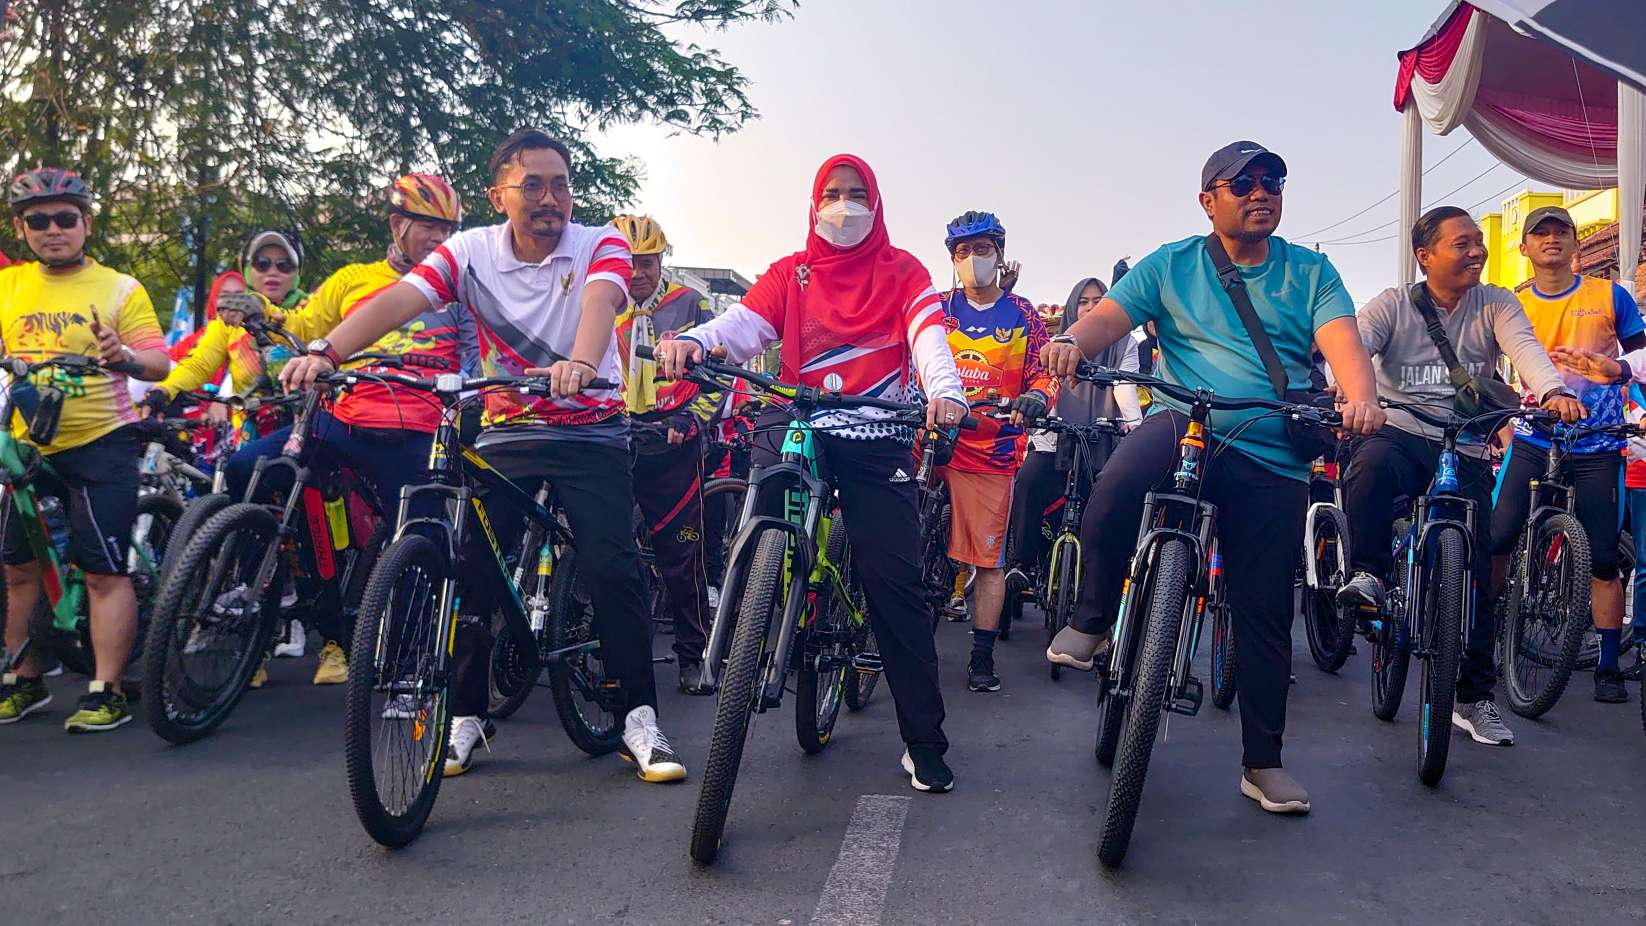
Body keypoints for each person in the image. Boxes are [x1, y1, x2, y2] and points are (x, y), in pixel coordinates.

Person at [281, 130, 684, 784]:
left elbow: (600, 301)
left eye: (561, 184)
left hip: (589, 426)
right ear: (498, 194)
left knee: (612, 567)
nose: (550, 198)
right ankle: (466, 716)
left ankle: (640, 716)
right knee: (466, 564)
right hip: (507, 427)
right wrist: (327, 352)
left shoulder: (596, 243)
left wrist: (582, 362)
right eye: (533, 185)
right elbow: (398, 300)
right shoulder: (468, 252)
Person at [1040, 141, 1384, 814]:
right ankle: (1090, 620)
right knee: (1111, 490)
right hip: (1181, 424)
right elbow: (1107, 318)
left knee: (1262, 607)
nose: (1262, 191)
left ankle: (1263, 763)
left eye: (1274, 181)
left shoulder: (1311, 271)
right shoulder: (1172, 263)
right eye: (1243, 182)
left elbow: (1343, 342)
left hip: (1271, 450)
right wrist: (1071, 343)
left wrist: (1359, 395)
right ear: (1209, 200)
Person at [653, 153, 968, 793]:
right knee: (760, 509)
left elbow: (928, 335)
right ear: (813, 202)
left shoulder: (905, 271)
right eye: (833, 193)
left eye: (857, 194)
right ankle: (753, 602)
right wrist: (699, 342)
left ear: (877, 204)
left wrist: (945, 389)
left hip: (876, 433)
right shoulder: (791, 274)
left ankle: (924, 741)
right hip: (797, 423)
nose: (845, 206)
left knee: (895, 586)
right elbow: (744, 324)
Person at [182, 173, 473, 689]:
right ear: (397, 223)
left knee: (422, 539)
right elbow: (303, 325)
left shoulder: (463, 286)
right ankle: (261, 585)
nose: (438, 238)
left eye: (447, 227)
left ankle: (409, 667)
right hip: (342, 419)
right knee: (252, 466)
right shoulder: (352, 278)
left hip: (417, 429)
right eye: (427, 225)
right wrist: (261, 311)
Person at [1336, 205, 1584, 748]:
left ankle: (1474, 698)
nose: (1476, 251)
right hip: (1399, 429)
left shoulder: (1495, 302)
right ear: (1425, 256)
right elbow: (1355, 347)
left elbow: (1525, 351)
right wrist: (1356, 395)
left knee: (1476, 568)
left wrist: (1553, 391)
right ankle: (1370, 573)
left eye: (1479, 242)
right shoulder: (1393, 304)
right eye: (1462, 243)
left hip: (1465, 442)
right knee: (1370, 467)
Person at [0, 167, 171, 731]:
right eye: (39, 220)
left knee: (102, 573)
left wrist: (121, 354)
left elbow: (158, 360)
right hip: (27, 447)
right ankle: (24, 680)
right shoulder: (9, 286)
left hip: (101, 442)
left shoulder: (120, 287)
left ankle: (107, 690)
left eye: (66, 218)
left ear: (85, 222)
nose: (54, 230)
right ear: (22, 228)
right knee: (19, 571)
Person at [1487, 205, 1645, 704]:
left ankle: (1607, 666)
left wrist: (1639, 409)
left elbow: (1640, 361)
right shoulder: (1510, 304)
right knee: (1499, 537)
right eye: (1541, 233)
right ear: (1524, 248)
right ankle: (1479, 643)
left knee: (1603, 557)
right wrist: (1502, 426)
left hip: (1600, 442)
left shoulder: (1610, 295)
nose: (1552, 240)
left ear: (1577, 245)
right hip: (1534, 438)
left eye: (1562, 232)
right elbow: (1487, 373)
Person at [933, 210, 1056, 692]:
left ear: (999, 254)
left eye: (981, 249)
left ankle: (981, 656)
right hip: (932, 441)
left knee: (989, 562)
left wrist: (1038, 397)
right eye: (961, 252)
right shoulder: (938, 309)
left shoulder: (1023, 314)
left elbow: (1045, 373)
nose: (971, 260)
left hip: (992, 450)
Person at [610, 214, 720, 695]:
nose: (636, 272)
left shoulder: (692, 304)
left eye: (646, 263)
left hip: (672, 441)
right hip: (611, 436)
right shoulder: (597, 302)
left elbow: (722, 373)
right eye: (628, 262)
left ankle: (692, 657)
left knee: (682, 554)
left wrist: (692, 418)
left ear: (661, 261)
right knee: (604, 550)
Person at [1005, 276, 1142, 601]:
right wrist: (1040, 420)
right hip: (1056, 437)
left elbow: (1125, 388)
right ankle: (1022, 561)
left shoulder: (1126, 345)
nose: (1091, 307)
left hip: (1102, 439)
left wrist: (1134, 426)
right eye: (1084, 301)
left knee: (1113, 500)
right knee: (1028, 479)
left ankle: (1102, 575)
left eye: (1098, 301)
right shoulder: (1054, 343)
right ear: (1072, 306)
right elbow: (1044, 385)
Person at [240, 229, 306, 310]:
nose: (273, 272)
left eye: (283, 265)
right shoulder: (225, 315)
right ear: (247, 271)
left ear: (296, 274)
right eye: (262, 264)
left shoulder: (316, 314)